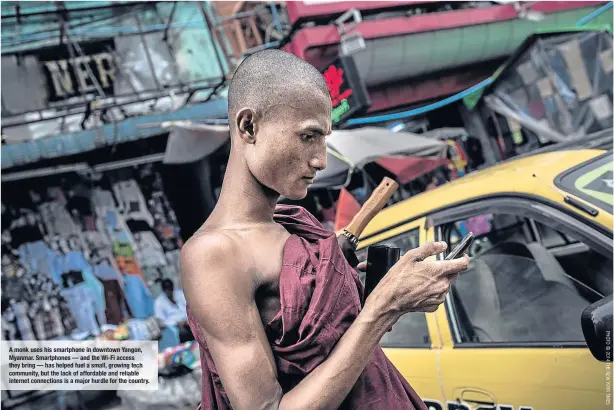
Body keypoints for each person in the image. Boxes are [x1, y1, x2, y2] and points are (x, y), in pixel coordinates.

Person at [180, 49, 469, 410]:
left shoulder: (294, 227)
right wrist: (380, 310)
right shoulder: (213, 254)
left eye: (324, 139)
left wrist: (380, 296)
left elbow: (327, 346)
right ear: (248, 127)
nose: (321, 159)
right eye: (308, 137)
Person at [154, 278, 193, 343]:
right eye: (167, 290)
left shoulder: (180, 294)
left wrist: (187, 319)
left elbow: (189, 307)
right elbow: (161, 322)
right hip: (174, 326)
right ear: (163, 290)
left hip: (187, 320)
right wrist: (176, 323)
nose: (170, 292)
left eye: (171, 289)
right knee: (183, 333)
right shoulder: (158, 302)